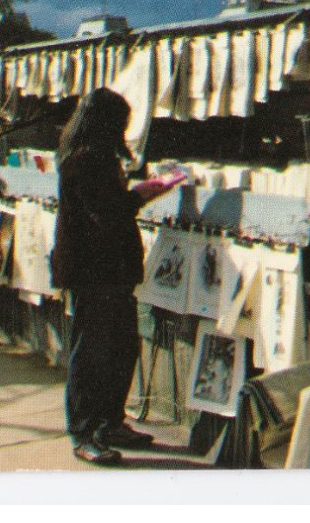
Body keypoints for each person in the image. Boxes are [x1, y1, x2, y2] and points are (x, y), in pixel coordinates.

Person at [50, 87, 187, 466]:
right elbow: (107, 213)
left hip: (112, 271)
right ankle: (83, 431)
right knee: (91, 354)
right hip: (93, 273)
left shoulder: (96, 157)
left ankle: (110, 422)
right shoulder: (83, 160)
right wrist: (145, 192)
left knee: (122, 348)